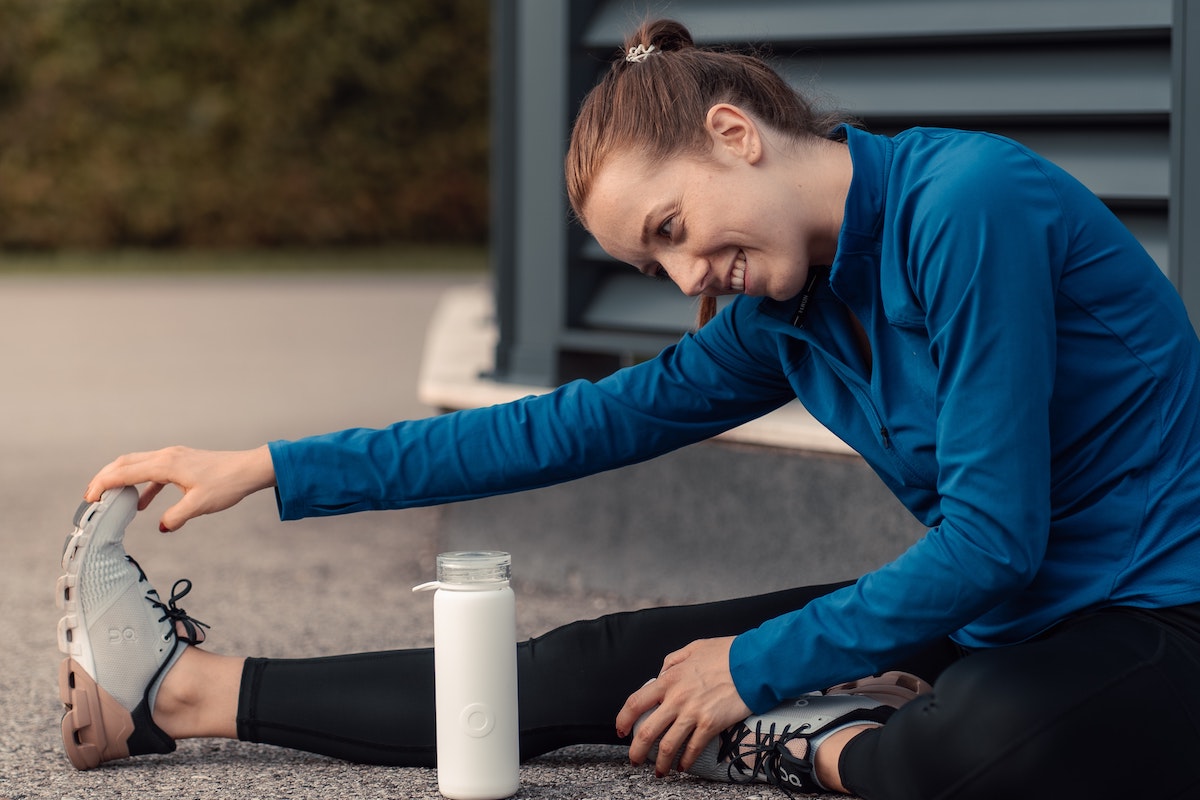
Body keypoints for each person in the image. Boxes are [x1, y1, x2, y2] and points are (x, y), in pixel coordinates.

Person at [59, 18, 1200, 800]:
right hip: (1005, 607)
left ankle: (823, 744)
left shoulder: (967, 207)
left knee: (982, 740)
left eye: (670, 229)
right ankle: (174, 693)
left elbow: (999, 536)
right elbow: (562, 426)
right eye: (657, 267)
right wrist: (268, 464)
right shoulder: (782, 316)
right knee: (603, 659)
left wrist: (758, 664)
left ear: (734, 134)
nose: (689, 278)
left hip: (1157, 611)